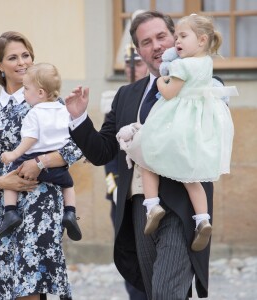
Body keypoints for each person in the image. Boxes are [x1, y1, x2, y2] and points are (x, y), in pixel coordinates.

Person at [65, 10, 226, 299]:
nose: (157, 46)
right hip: (141, 207)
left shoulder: (202, 83)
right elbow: (103, 151)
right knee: (156, 291)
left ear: (175, 37)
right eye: (147, 41)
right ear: (139, 51)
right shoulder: (126, 95)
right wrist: (78, 119)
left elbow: (212, 135)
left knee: (166, 292)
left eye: (162, 36)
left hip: (182, 205)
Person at [0, 31, 82, 300]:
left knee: (31, 289)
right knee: (11, 288)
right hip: (8, 212)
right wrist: (1, 182)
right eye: (13, 57)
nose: (22, 62)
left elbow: (75, 147)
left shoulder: (50, 102)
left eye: (26, 55)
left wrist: (39, 162)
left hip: (43, 205)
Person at [116, 14, 237, 252]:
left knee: (146, 156)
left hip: (176, 130)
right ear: (139, 50)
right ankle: (203, 219)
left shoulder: (180, 66)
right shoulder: (206, 63)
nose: (175, 42)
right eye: (146, 42)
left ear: (200, 40)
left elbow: (170, 92)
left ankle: (153, 206)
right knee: (191, 179)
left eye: (177, 36)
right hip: (191, 136)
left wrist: (163, 80)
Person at [0, 62, 82, 241]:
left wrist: (14, 154)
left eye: (26, 89)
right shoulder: (65, 111)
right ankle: (70, 212)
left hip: (30, 162)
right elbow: (74, 137)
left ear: (40, 93)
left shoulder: (34, 113)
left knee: (10, 177)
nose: (24, 92)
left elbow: (30, 139)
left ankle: (10, 212)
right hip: (57, 165)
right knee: (68, 185)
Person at [101, 44, 148, 300]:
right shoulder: (118, 98)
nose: (134, 68)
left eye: (138, 63)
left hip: (154, 190)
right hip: (124, 190)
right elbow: (109, 153)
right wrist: (116, 187)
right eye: (130, 64)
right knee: (130, 254)